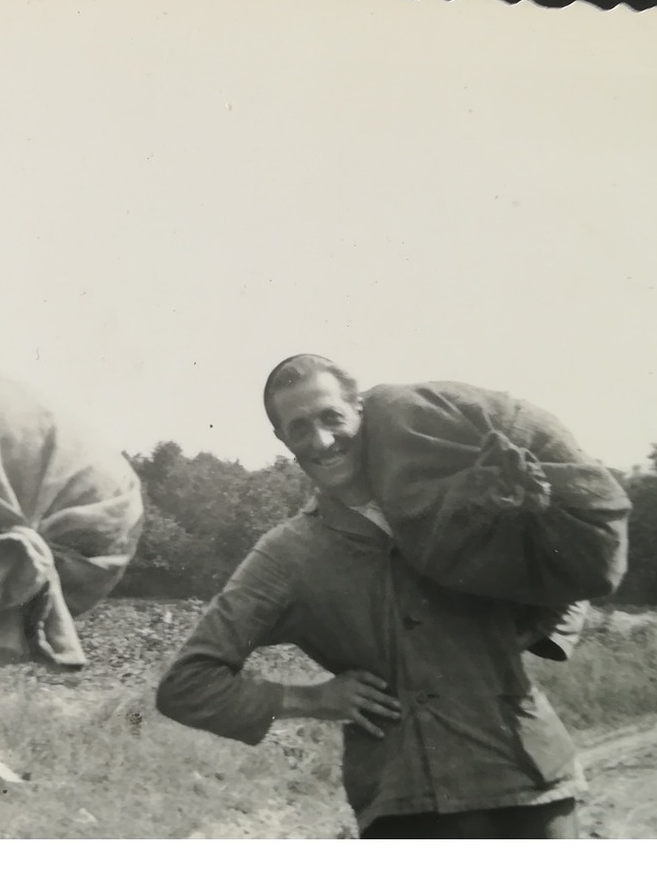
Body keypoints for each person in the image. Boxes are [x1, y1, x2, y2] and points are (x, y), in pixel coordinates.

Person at [156, 354, 628, 839]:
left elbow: (572, 561)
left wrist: (532, 632)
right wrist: (312, 700)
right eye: (298, 428)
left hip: (526, 784)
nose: (320, 440)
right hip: (404, 806)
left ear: (359, 411)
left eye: (331, 417)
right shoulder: (288, 555)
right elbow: (187, 685)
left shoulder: (462, 487)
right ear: (283, 440)